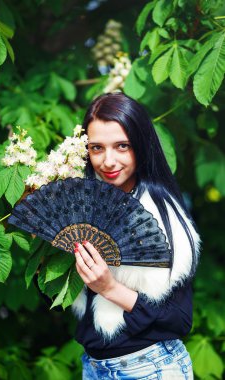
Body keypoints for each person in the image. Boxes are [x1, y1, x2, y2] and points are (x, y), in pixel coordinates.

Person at [72, 92, 200, 380]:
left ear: (140, 146)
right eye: (96, 148)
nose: (108, 161)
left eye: (122, 146)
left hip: (150, 367)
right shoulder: (84, 205)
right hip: (94, 367)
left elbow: (179, 321)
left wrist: (110, 288)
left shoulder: (160, 213)